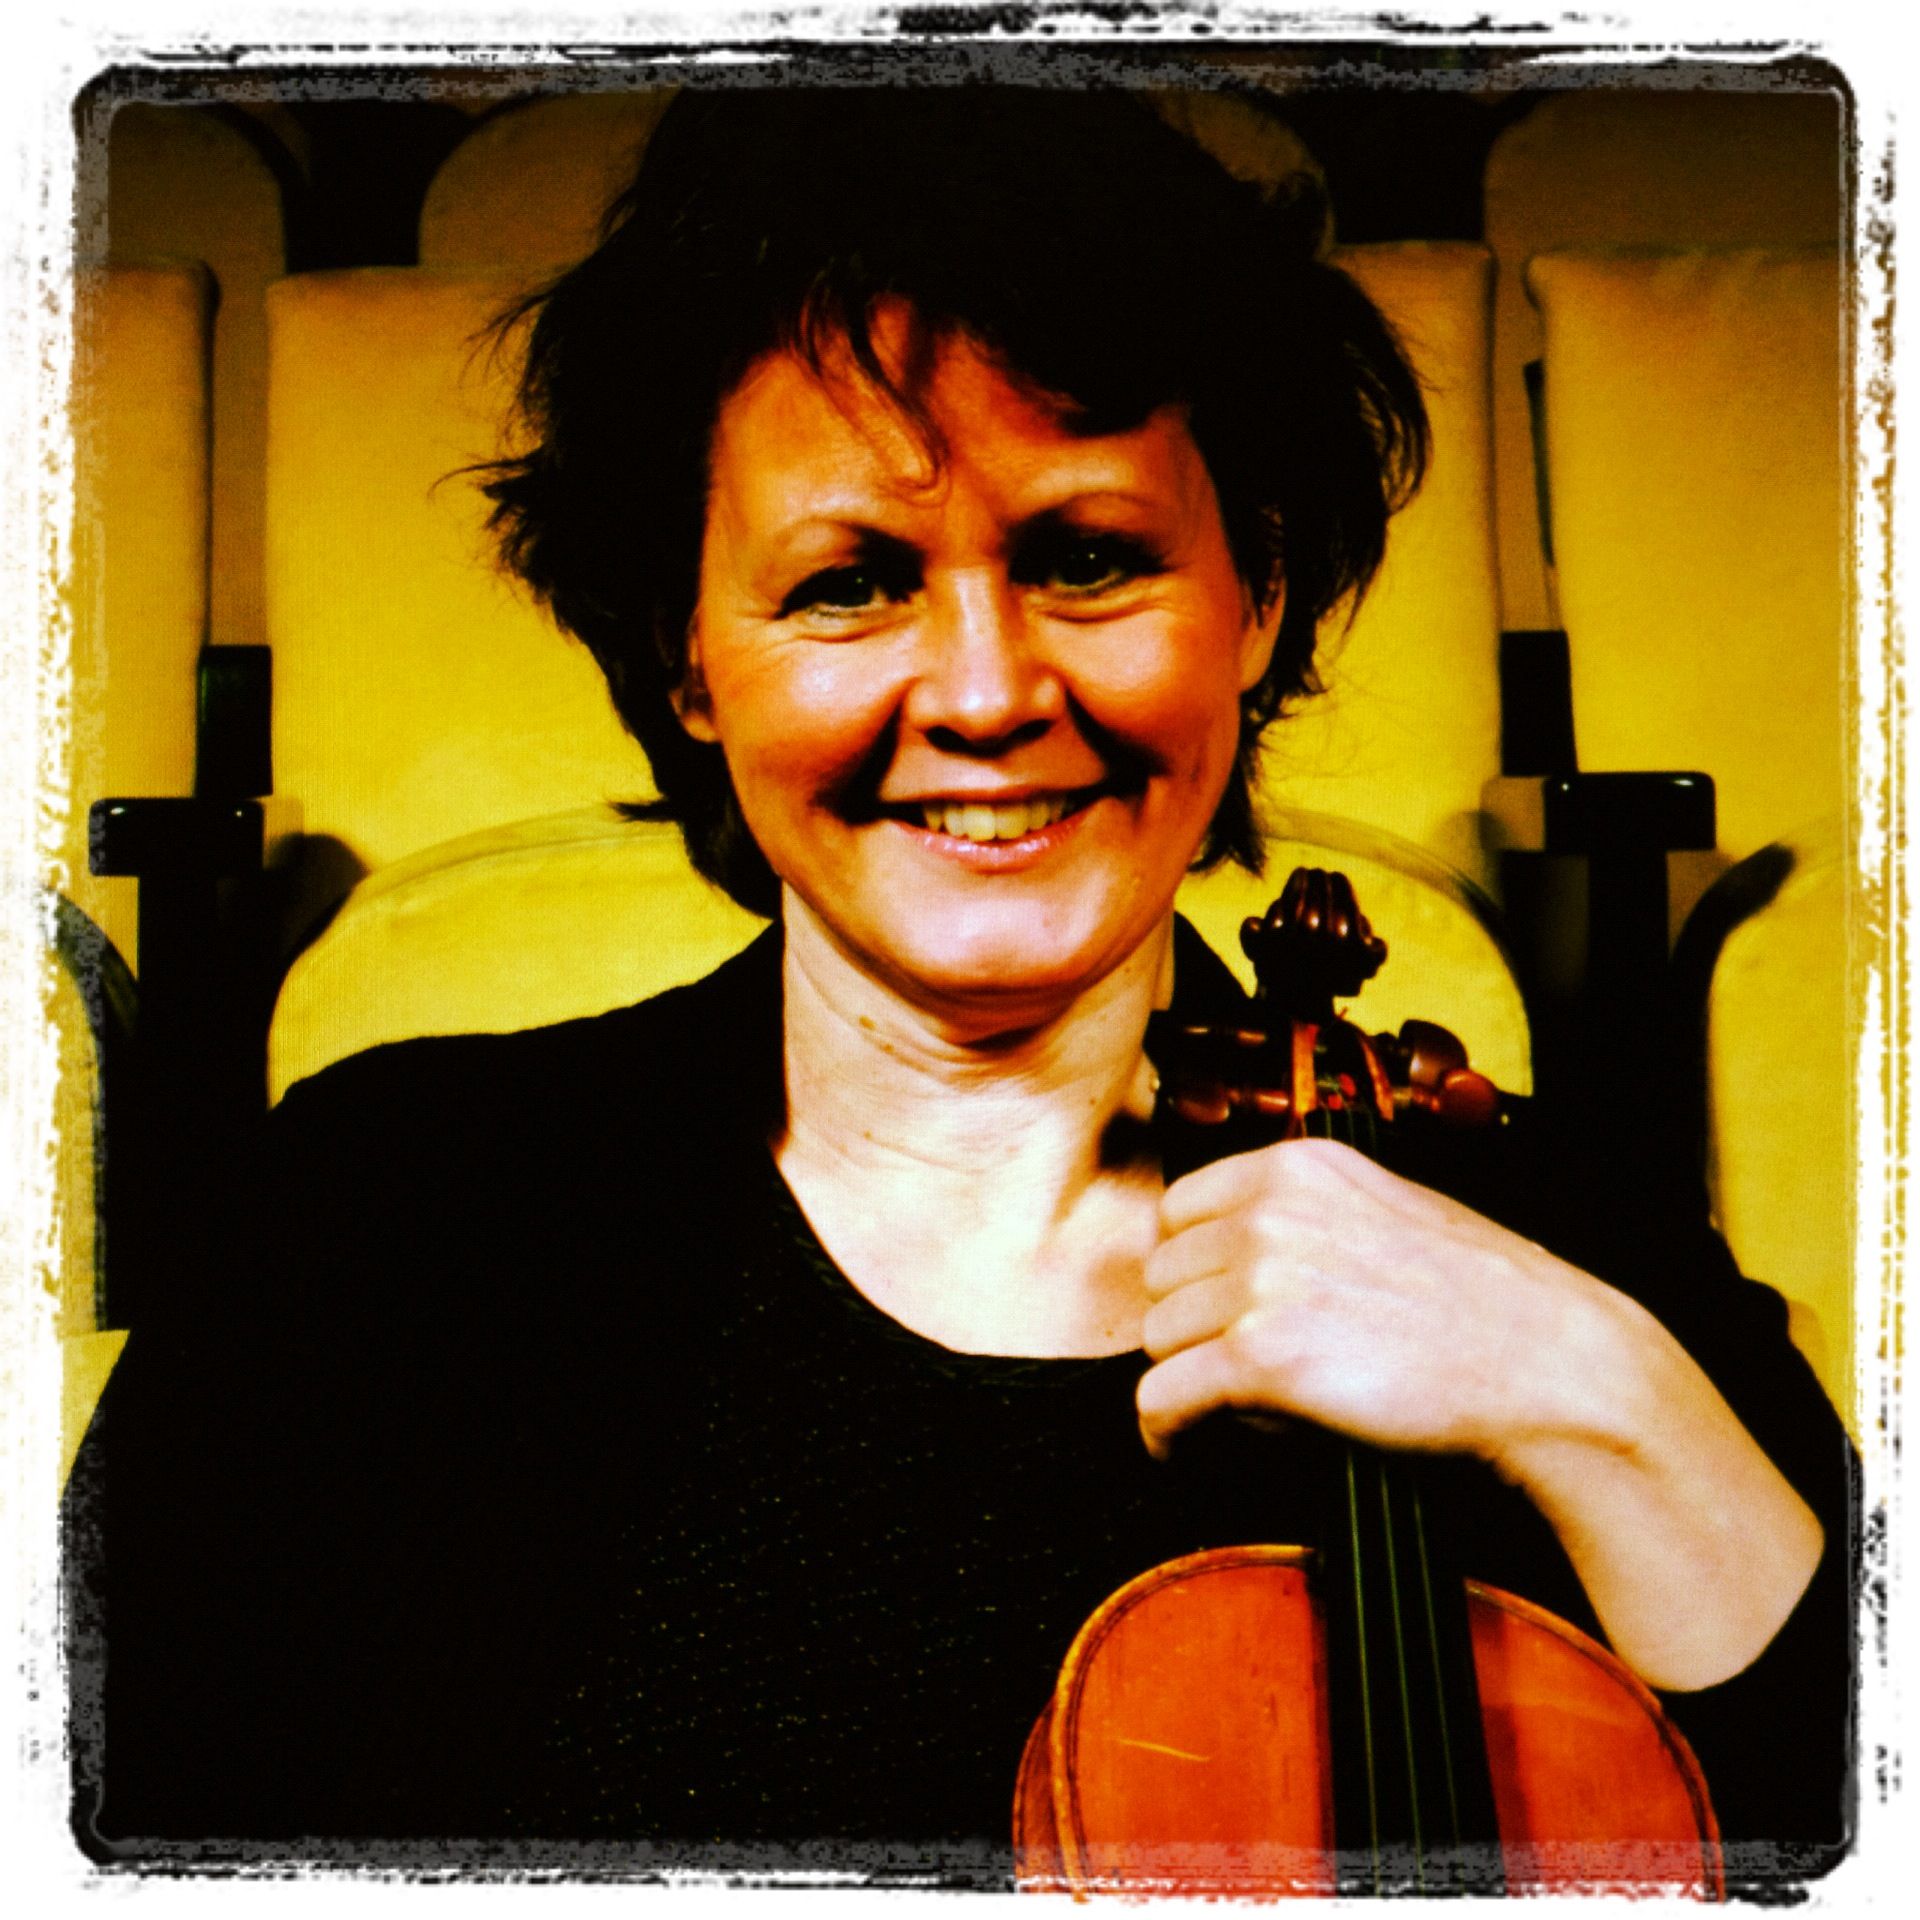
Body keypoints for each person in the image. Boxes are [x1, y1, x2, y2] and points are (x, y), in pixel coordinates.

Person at [68, 85, 1852, 1887]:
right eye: (848, 586)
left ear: (1256, 596)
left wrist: (1601, 1398)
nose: (987, 693)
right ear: (688, 660)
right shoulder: (376, 1223)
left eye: (1088, 558)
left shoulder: (1563, 1255)